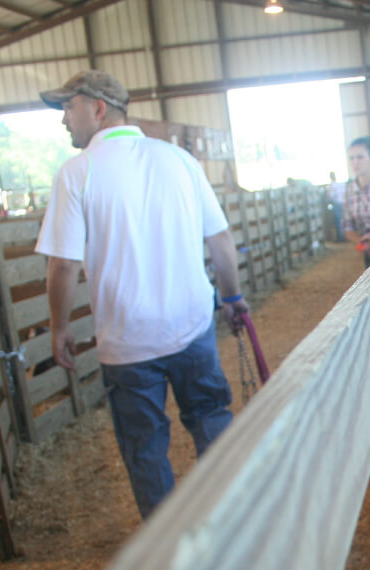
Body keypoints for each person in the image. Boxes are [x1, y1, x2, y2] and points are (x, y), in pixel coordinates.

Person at [35, 70, 251, 519]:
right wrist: (232, 299)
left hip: (126, 339)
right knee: (210, 419)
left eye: (67, 107)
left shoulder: (78, 173)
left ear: (97, 108)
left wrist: (58, 328)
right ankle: (233, 522)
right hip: (191, 326)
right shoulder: (178, 160)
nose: (63, 120)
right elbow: (222, 242)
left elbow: (62, 265)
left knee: (144, 445)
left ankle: (166, 551)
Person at [342, 137, 370, 266]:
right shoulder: (349, 191)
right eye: (351, 158)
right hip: (369, 255)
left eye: (360, 157)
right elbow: (347, 227)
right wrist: (362, 241)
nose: (355, 162)